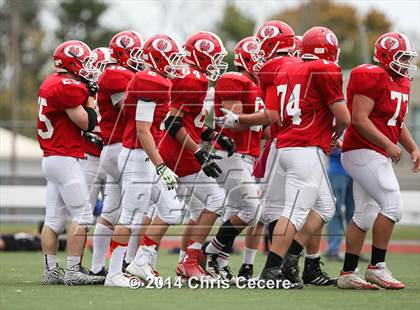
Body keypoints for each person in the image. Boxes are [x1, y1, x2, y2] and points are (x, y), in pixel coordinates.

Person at [337, 32, 419, 290]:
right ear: (386, 56)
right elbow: (359, 118)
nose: (407, 62)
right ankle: (377, 267)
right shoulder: (371, 75)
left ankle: (348, 272)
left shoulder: (402, 82)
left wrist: (413, 148)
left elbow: (397, 122)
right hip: (361, 149)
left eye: (409, 57)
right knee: (392, 205)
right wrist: (387, 144)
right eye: (402, 56)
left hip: (374, 151)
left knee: (364, 214)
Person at [105, 33, 186, 287]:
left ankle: (140, 261)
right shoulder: (150, 83)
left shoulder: (158, 81)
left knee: (172, 209)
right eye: (171, 58)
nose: (175, 63)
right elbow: (142, 130)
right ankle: (113, 273)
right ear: (158, 59)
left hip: (146, 156)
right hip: (137, 157)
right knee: (129, 217)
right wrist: (161, 165)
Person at [158, 31, 232, 281]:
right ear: (201, 55)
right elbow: (173, 122)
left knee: (196, 207)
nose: (215, 63)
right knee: (215, 200)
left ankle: (180, 262)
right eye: (212, 57)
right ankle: (189, 261)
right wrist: (198, 151)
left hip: (177, 149)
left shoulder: (191, 76)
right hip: (179, 152)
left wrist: (214, 136)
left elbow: (190, 121)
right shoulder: (193, 79)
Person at [37, 40, 104, 285]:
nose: (88, 68)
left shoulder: (51, 82)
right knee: (84, 216)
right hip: (64, 158)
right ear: (72, 62)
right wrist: (90, 99)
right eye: (84, 62)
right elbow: (87, 122)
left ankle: (51, 270)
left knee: (53, 220)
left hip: (51, 158)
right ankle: (74, 271)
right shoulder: (67, 86)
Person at [90, 31, 144, 278]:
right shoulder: (116, 74)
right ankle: (125, 264)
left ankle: (98, 266)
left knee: (111, 210)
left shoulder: (119, 73)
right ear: (122, 53)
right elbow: (129, 110)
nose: (139, 58)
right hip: (121, 147)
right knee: (137, 208)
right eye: (134, 53)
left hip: (112, 149)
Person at [211, 36, 264, 283]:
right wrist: (270, 116)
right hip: (230, 154)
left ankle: (218, 262)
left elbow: (262, 129)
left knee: (234, 209)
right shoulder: (235, 79)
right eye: (260, 57)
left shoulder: (259, 85)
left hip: (247, 155)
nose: (264, 63)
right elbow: (236, 121)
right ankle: (209, 250)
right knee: (251, 210)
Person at [326, 147, 354, 261]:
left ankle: (354, 251)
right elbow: (329, 148)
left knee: (355, 214)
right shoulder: (335, 129)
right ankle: (333, 250)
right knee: (336, 212)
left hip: (357, 173)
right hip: (337, 172)